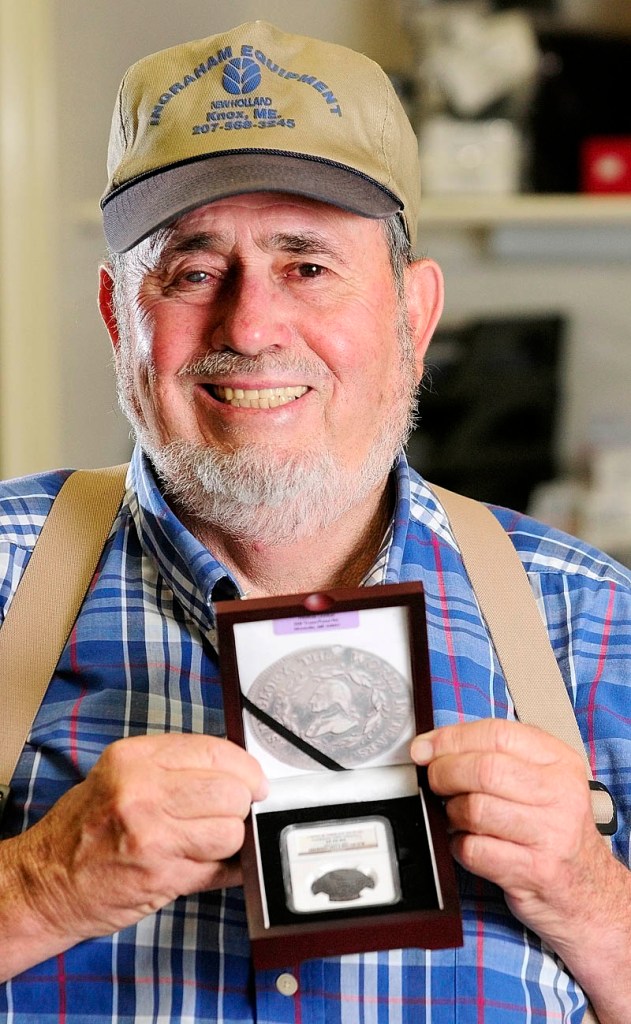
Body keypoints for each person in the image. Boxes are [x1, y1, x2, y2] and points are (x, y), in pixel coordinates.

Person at [0, 19, 629, 1024]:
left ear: (412, 318)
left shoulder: (590, 619)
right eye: (193, 270)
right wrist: (39, 885)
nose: (249, 328)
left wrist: (590, 895)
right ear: (121, 318)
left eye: (308, 266)